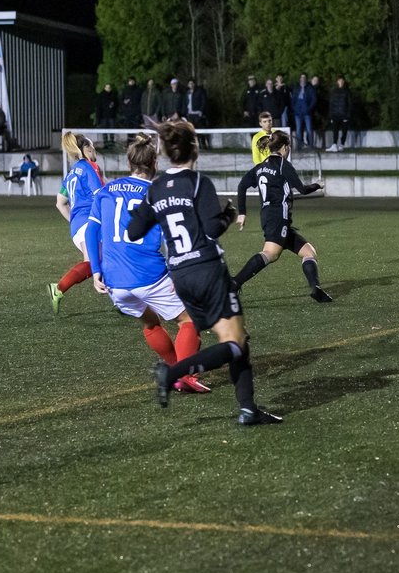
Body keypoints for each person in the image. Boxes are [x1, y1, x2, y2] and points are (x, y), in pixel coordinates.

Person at [127, 119, 281, 425]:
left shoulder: (156, 188)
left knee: (239, 341)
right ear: (194, 147)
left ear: (169, 152)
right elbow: (212, 228)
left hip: (180, 277)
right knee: (234, 344)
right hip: (208, 271)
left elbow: (134, 231)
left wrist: (152, 210)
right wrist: (227, 215)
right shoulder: (198, 183)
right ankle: (172, 373)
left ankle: (248, 408)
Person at [87, 132, 209, 395]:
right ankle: (183, 376)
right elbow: (172, 238)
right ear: (154, 162)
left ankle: (175, 369)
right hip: (149, 275)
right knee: (189, 320)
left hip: (114, 282)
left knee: (151, 322)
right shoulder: (158, 193)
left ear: (129, 163)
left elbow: (91, 232)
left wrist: (96, 271)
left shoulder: (106, 191)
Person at [232, 130, 330, 301]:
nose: (289, 149)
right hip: (278, 217)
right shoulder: (283, 165)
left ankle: (316, 288)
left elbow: (242, 186)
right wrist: (318, 185)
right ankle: (234, 283)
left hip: (271, 217)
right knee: (270, 253)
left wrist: (242, 213)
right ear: (285, 147)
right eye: (289, 146)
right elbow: (302, 189)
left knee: (308, 252)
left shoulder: (260, 167)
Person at [47, 132, 106, 314]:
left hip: (79, 226)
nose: (94, 149)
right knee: (96, 261)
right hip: (91, 222)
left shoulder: (72, 173)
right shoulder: (89, 167)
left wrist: (75, 223)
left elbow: (60, 202)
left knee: (103, 260)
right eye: (91, 146)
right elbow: (101, 196)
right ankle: (58, 289)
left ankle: (122, 302)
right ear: (85, 149)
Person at [325, 76, 352, 152]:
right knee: (335, 131)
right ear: (337, 82)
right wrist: (330, 116)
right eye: (339, 81)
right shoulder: (334, 91)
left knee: (344, 131)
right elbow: (331, 104)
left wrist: (347, 116)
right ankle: (334, 145)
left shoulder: (347, 91)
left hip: (344, 115)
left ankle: (342, 145)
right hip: (335, 115)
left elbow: (350, 104)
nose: (341, 82)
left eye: (342, 81)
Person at [292, 73, 317, 148]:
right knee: (298, 130)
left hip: (307, 113)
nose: (303, 79)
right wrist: (294, 108)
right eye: (301, 78)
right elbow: (293, 99)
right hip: (297, 113)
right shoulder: (296, 88)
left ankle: (310, 145)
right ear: (299, 79)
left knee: (309, 129)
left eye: (304, 78)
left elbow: (314, 99)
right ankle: (299, 145)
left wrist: (309, 108)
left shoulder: (310, 88)